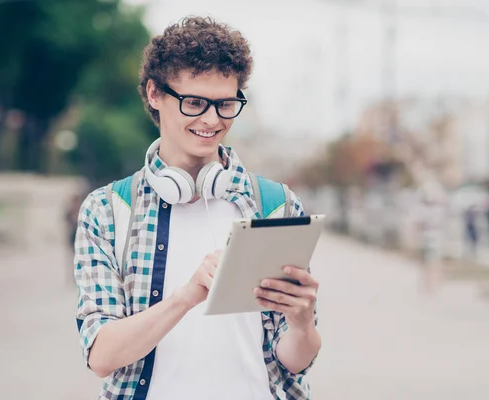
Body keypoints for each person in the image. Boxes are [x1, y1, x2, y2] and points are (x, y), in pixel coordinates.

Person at [74, 16, 321, 400]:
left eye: (225, 105)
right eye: (194, 103)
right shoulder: (107, 210)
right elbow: (101, 357)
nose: (211, 120)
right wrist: (187, 295)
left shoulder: (277, 205)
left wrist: (302, 324)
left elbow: (294, 361)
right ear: (155, 94)